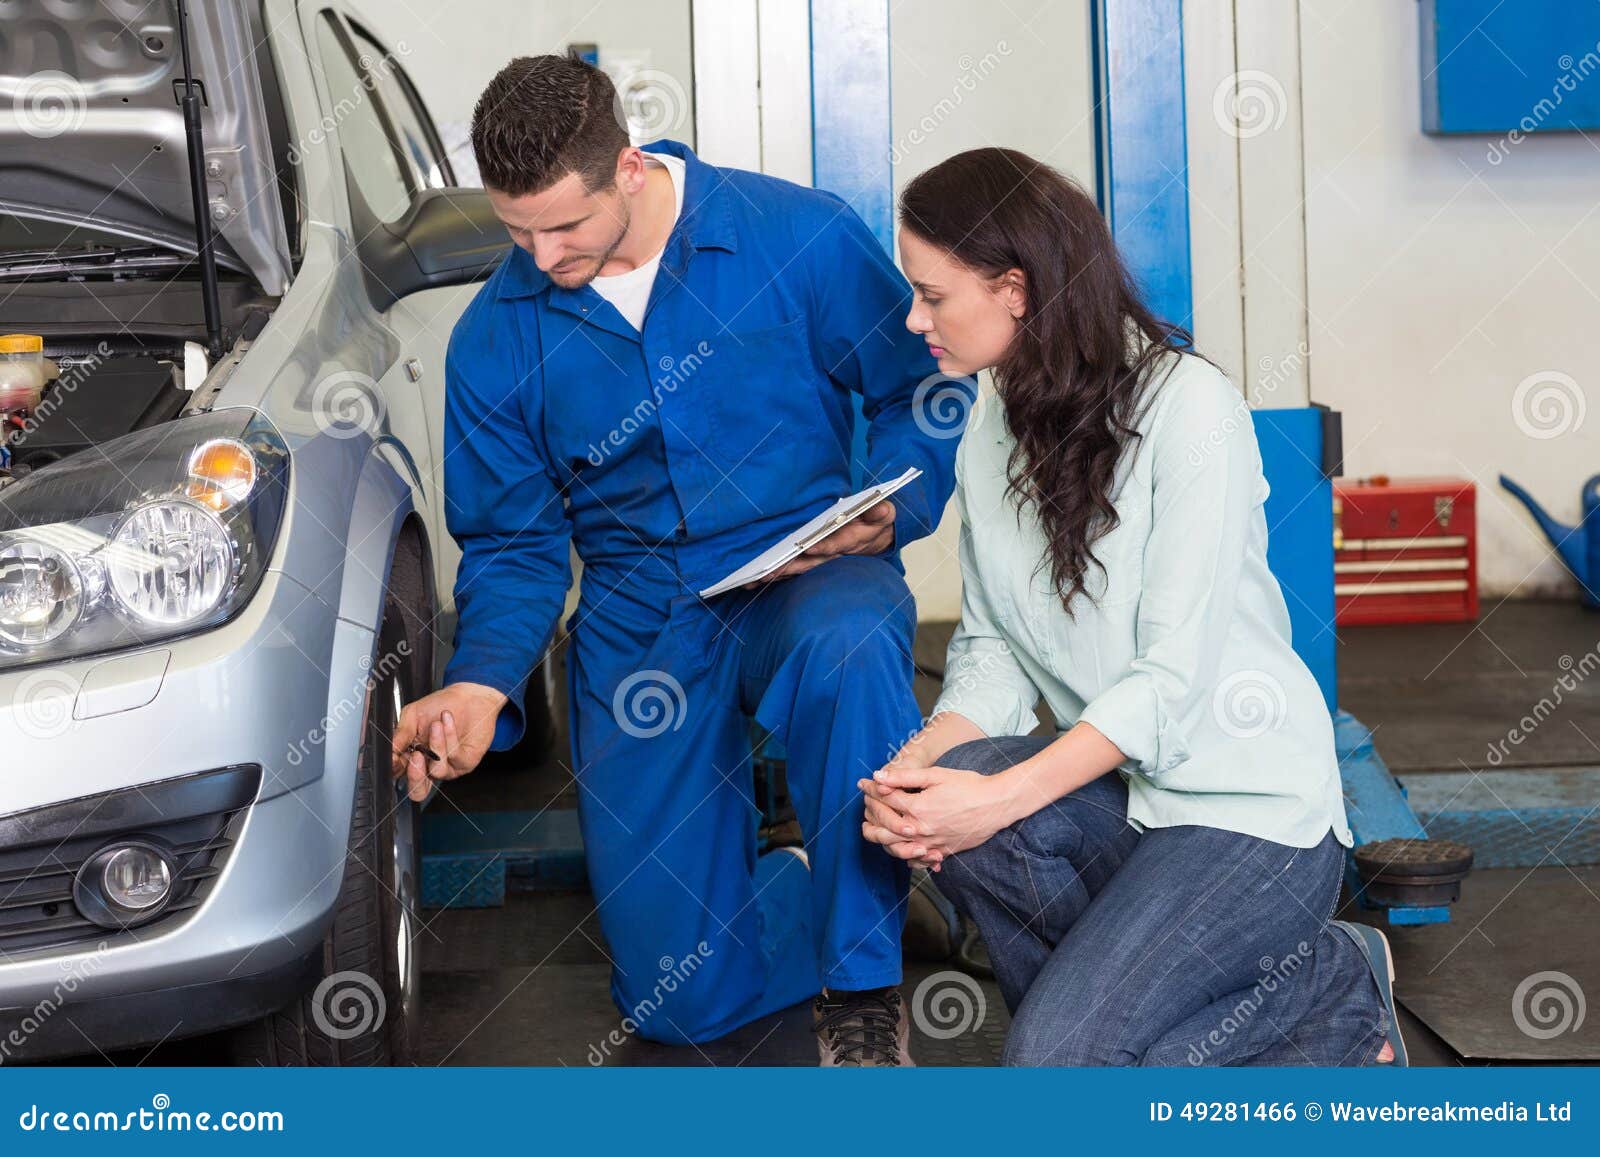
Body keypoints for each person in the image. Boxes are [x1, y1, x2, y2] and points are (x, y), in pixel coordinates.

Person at [390, 55, 970, 1066]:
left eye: (563, 225)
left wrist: (895, 504)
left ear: (625, 167)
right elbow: (516, 542)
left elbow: (915, 391)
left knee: (850, 646)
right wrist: (481, 681)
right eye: (515, 229)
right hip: (637, 608)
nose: (541, 253)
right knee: (681, 1000)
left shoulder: (801, 236)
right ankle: (822, 876)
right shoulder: (493, 336)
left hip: (807, 570)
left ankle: (862, 990)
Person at [857, 147, 1406, 1067]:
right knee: (977, 818)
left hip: (1249, 811)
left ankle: (1334, 985)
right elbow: (993, 645)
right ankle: (1094, 1045)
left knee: (1061, 1055)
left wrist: (994, 796)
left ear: (1016, 290)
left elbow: (1169, 683)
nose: (915, 320)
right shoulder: (992, 423)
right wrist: (914, 775)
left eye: (933, 295)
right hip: (1127, 799)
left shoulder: (1190, 409)